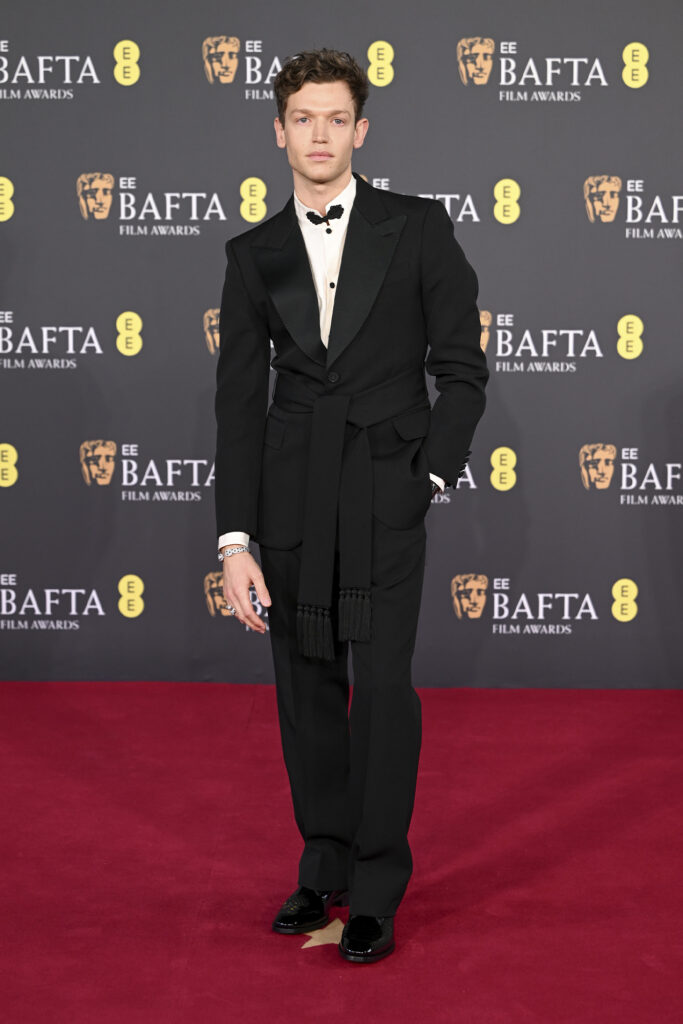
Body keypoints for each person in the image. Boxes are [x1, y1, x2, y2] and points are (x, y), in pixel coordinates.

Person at [214, 48, 488, 963]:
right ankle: (321, 861)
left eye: (337, 118)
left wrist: (430, 477)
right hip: (292, 498)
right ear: (279, 131)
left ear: (360, 130)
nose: (320, 134)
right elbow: (238, 405)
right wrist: (234, 540)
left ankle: (375, 884)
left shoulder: (415, 230)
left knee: (381, 695)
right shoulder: (252, 255)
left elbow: (461, 371)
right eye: (304, 118)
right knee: (305, 689)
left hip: (385, 491)